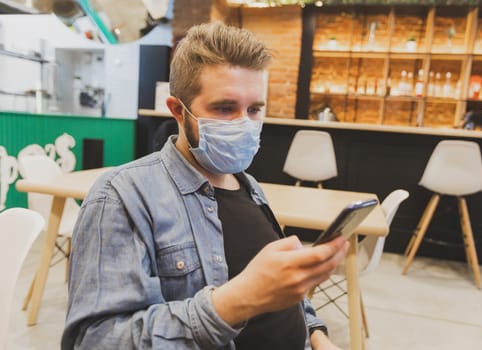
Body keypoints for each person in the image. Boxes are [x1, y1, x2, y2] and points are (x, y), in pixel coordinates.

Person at [62, 22, 348, 350]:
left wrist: (317, 335)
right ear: (177, 111)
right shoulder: (123, 197)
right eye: (225, 108)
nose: (244, 123)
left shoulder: (249, 186)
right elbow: (95, 341)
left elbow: (283, 292)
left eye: (254, 109)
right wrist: (236, 302)